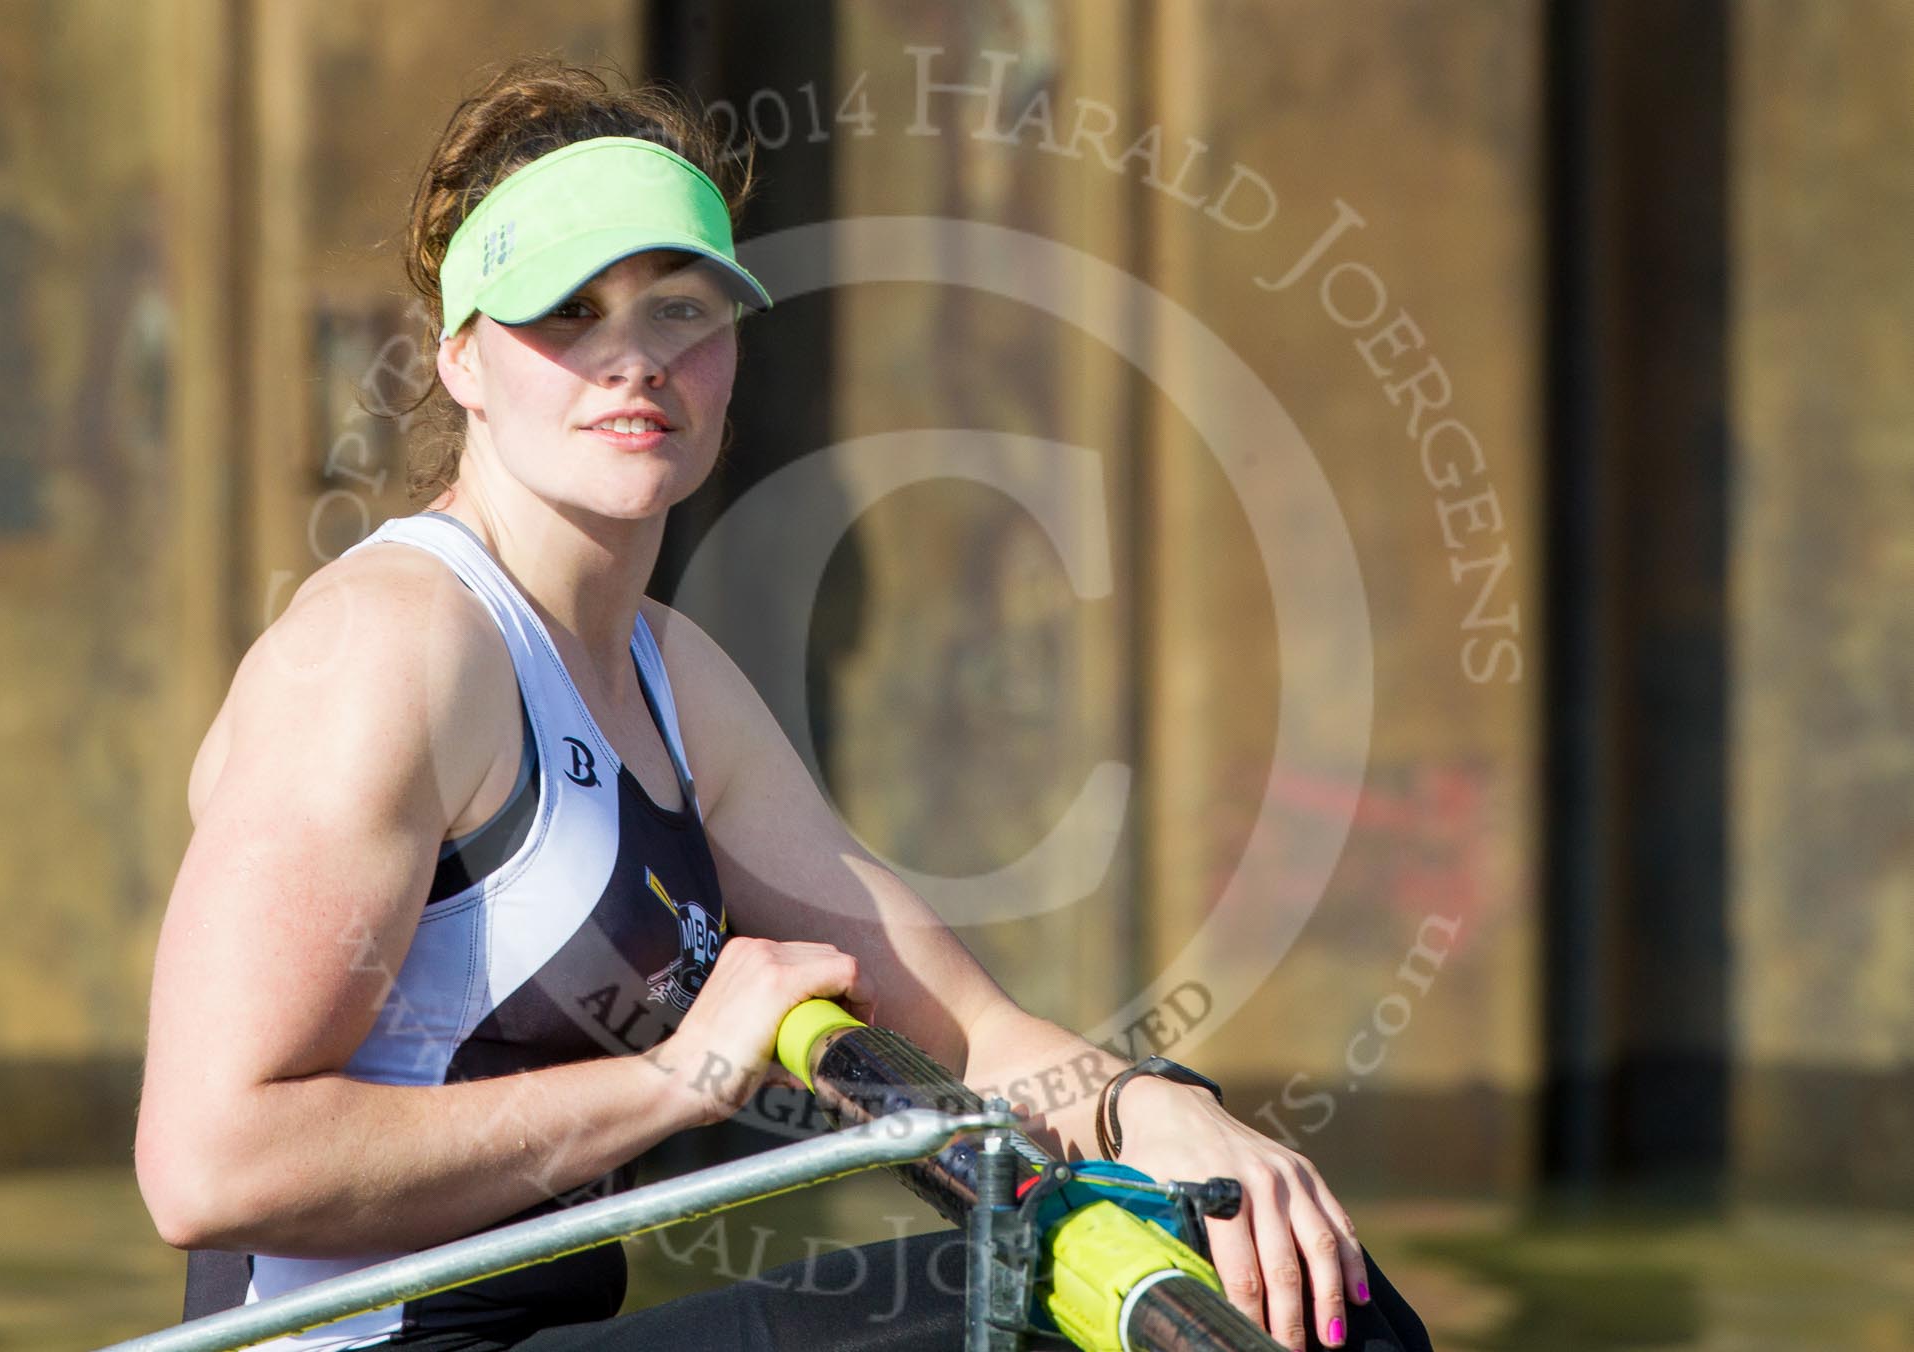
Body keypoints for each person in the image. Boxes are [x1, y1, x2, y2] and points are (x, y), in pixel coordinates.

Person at [134, 57, 1432, 1352]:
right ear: (463, 357)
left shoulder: (673, 677)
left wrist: (1155, 1109)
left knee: (1300, 1289)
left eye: (681, 310)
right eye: (570, 311)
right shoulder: (386, 650)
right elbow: (208, 1166)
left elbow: (970, 1034)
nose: (635, 360)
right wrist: (679, 1078)